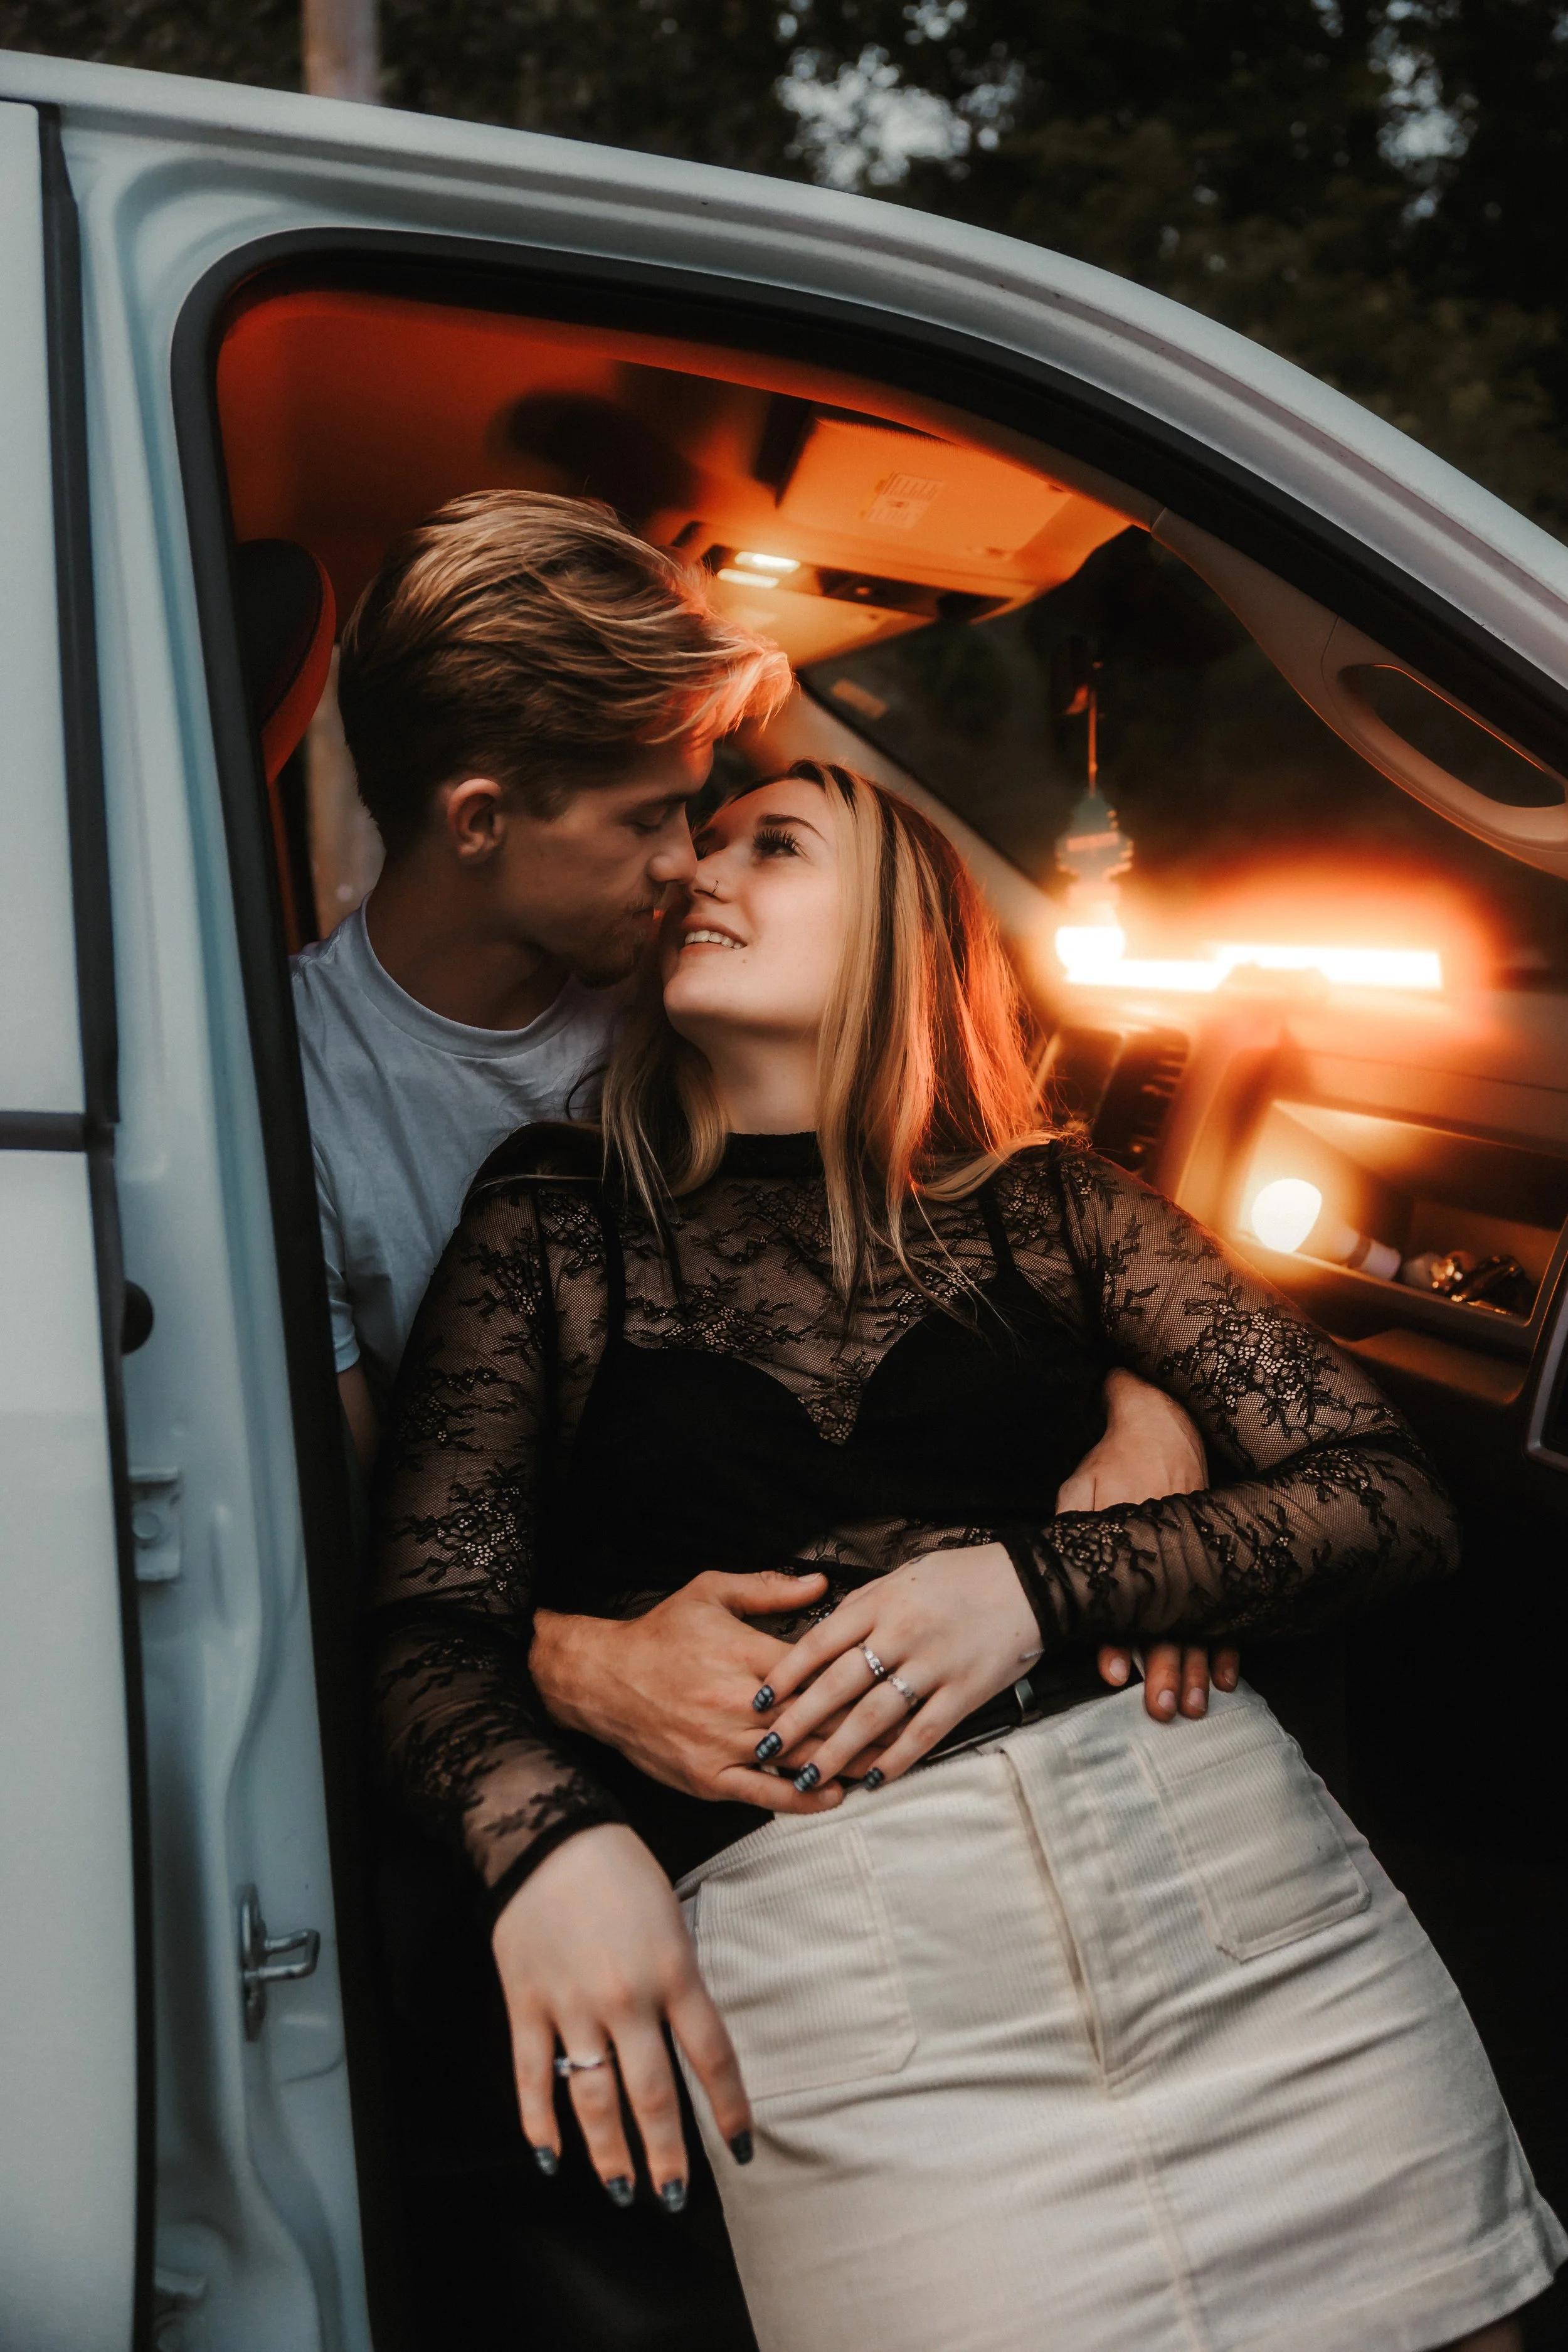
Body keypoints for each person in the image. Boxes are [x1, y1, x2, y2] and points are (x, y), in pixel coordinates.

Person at [371, 759, 1564, 2352]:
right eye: (698, 843)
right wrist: (553, 1850)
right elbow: (421, 1625)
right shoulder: (552, 1222)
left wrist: (1024, 1587)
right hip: (848, 1996)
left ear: (901, 936)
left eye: (770, 845)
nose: (701, 871)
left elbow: (1385, 1497)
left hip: (1235, 1906)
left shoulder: (1052, 1205)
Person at [294, 487, 1224, 1743]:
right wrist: (573, 1662)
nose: (687, 865)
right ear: (478, 821)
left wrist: (1144, 1403)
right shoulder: (283, 1100)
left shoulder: (703, 985)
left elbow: (991, 1222)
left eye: (698, 806)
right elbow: (360, 1555)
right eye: (644, 821)